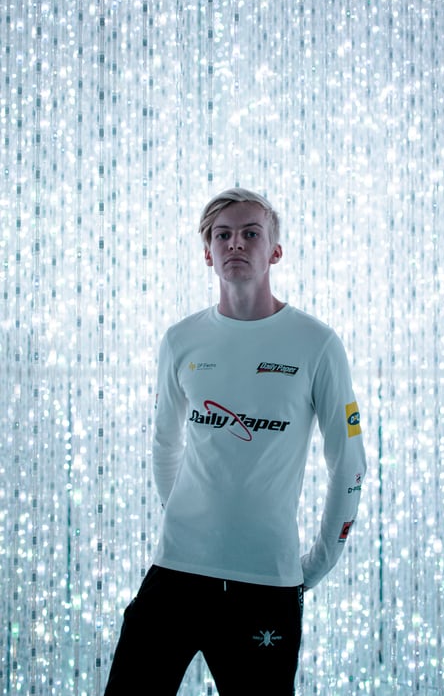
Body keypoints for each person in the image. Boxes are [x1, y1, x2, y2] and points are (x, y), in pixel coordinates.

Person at [103, 187, 366, 696]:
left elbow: (349, 463)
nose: (235, 244)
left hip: (266, 582)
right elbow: (164, 444)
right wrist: (186, 518)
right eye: (222, 235)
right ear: (208, 253)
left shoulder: (317, 344)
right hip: (176, 572)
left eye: (250, 233)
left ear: (275, 251)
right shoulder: (181, 339)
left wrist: (318, 562)